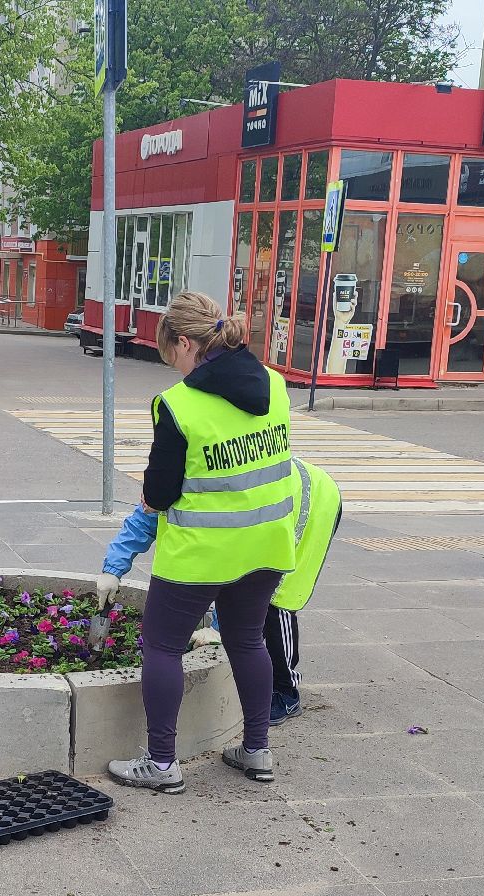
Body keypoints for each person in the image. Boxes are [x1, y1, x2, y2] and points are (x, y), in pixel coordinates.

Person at [106, 291, 297, 794]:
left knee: (162, 647)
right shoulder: (276, 386)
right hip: (267, 545)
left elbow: (161, 493)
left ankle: (162, 762)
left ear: (186, 342)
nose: (171, 364)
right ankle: (257, 749)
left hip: (201, 553)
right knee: (248, 640)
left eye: (170, 352)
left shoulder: (178, 405)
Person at [98, 455, 341, 723]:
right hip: (262, 507)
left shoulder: (212, 503)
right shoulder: (167, 485)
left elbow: (234, 566)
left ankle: (286, 692)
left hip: (307, 501)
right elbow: (142, 522)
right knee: (251, 607)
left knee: (276, 598)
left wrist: (217, 627)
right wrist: (112, 569)